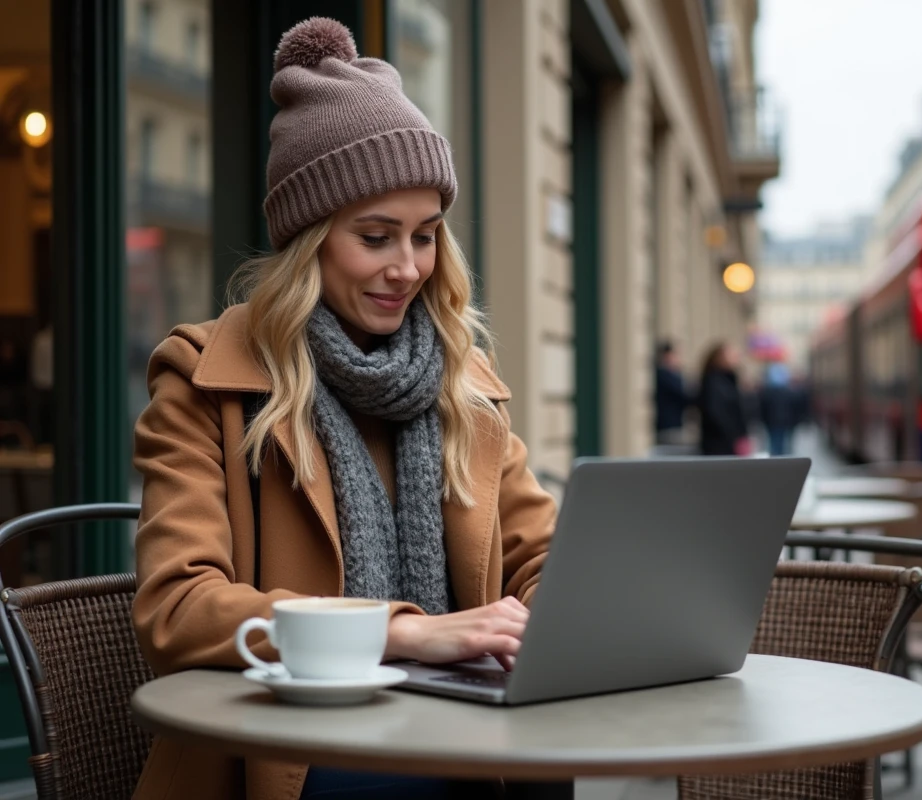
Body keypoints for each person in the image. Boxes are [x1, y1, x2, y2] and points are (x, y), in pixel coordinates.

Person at [130, 19, 559, 800]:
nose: (408, 268)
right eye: (375, 237)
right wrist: (404, 633)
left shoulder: (464, 382)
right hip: (286, 752)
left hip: (458, 732)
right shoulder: (204, 380)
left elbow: (542, 555)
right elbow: (179, 607)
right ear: (309, 240)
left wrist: (552, 621)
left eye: (426, 237)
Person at [697, 342, 750, 456]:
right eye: (731, 354)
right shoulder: (713, 382)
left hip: (730, 442)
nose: (736, 358)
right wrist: (733, 436)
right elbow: (715, 412)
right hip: (719, 444)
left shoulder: (729, 380)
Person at [758, 362, 798, 456]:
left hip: (772, 421)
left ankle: (776, 458)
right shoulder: (788, 391)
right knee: (783, 443)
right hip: (784, 421)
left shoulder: (767, 392)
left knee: (774, 443)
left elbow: (763, 407)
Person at [654, 340, 690, 445]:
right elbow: (684, 395)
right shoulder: (664, 375)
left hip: (673, 424)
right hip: (668, 426)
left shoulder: (671, 374)